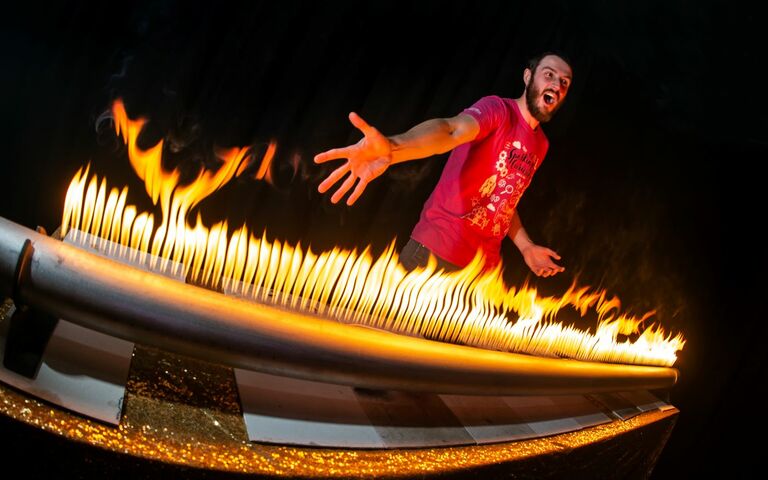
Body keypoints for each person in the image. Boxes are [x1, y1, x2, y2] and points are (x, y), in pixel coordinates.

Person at [314, 53, 572, 277]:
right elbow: (450, 130)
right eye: (548, 74)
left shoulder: (541, 145)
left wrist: (526, 247)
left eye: (564, 82)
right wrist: (394, 147)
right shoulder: (497, 110)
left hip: (480, 275)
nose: (556, 84)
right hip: (433, 257)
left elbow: (505, 201)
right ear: (528, 77)